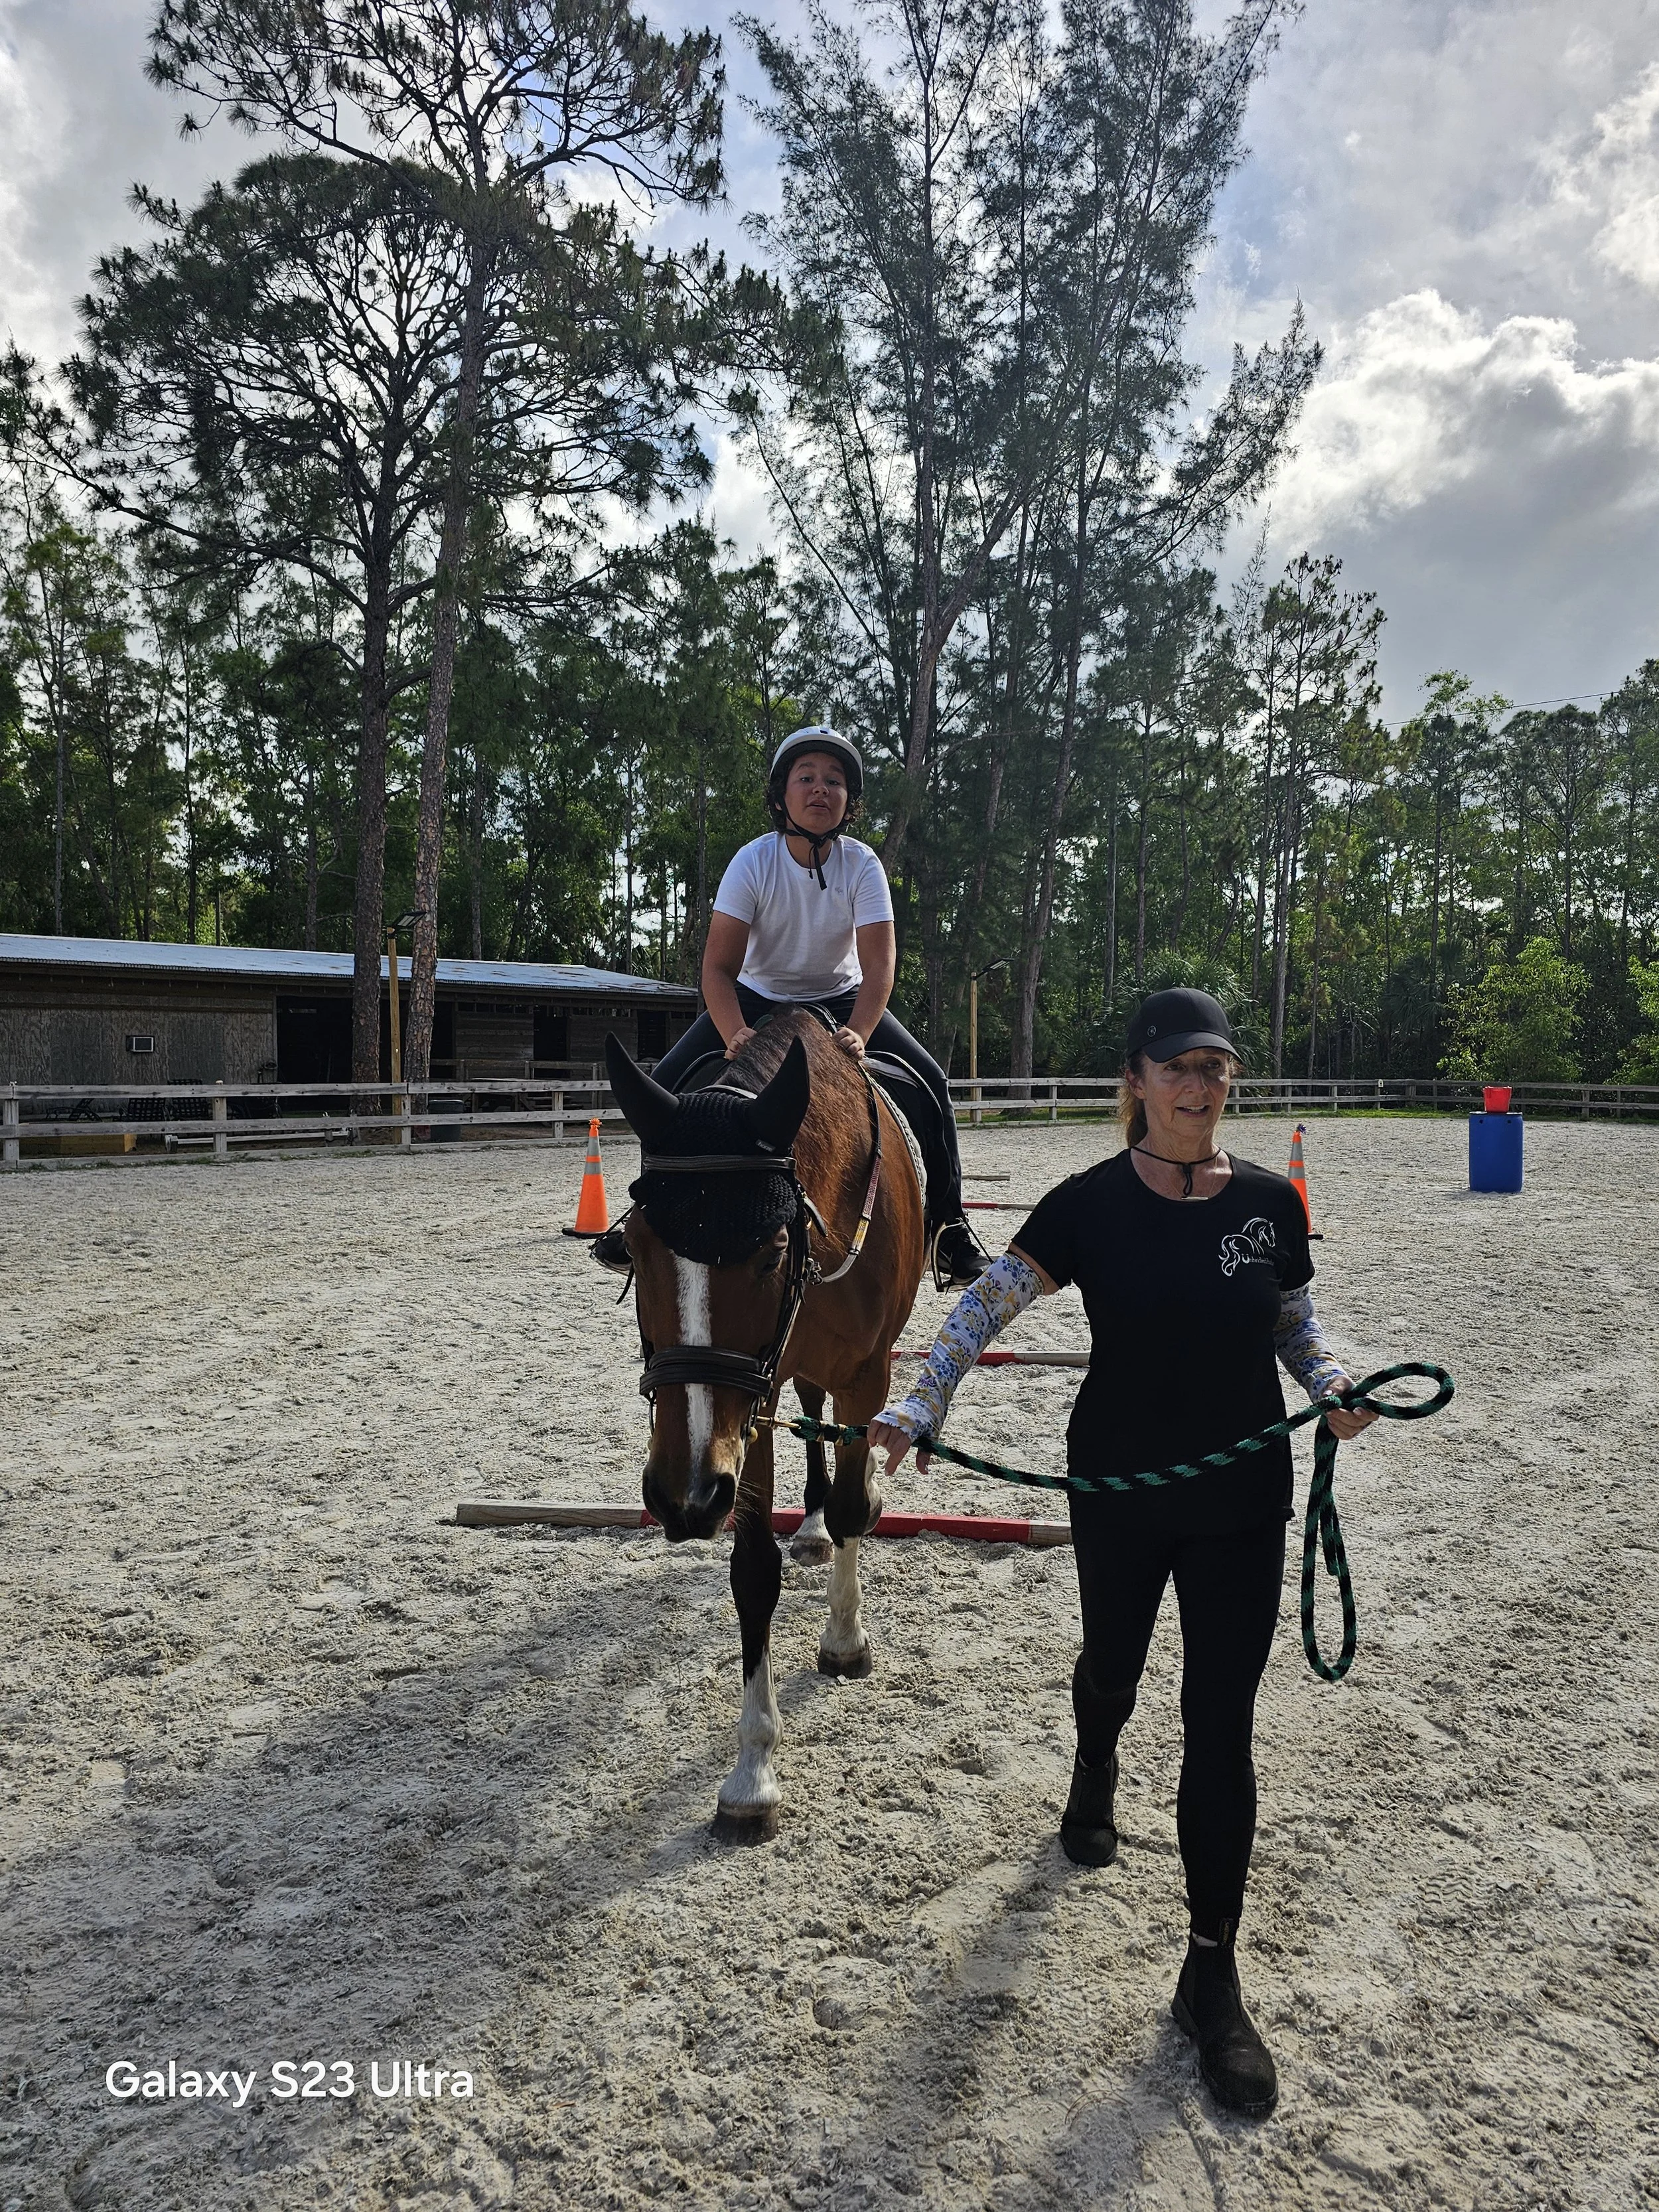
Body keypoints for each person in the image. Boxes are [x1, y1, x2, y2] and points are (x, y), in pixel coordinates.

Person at [867, 987, 1377, 2119]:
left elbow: (1293, 1319)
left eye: (1220, 1068)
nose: (1203, 1087)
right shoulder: (1089, 1203)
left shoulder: (1268, 1199)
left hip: (1244, 1492)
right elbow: (985, 1303)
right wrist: (920, 1404)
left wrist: (1332, 1383)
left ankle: (1211, 1971)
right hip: (1121, 1490)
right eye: (1181, 1067)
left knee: (1220, 1721)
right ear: (1138, 1080)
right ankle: (1095, 1760)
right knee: (1115, 1664)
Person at [595, 724, 991, 1288]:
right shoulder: (752, 862)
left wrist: (859, 1030)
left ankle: (948, 1229)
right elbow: (717, 969)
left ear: (849, 799)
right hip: (758, 996)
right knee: (666, 1084)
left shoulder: (863, 864)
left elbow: (879, 965)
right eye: (806, 777)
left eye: (834, 780)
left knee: (929, 1082)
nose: (820, 789)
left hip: (842, 994)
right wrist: (732, 1030)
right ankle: (650, 1215)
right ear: (782, 794)